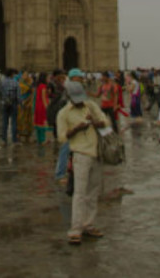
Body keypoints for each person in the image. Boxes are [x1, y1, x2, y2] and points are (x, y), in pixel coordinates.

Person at [57, 80, 110, 245]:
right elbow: (62, 137)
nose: (80, 101)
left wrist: (94, 122)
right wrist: (77, 128)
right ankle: (75, 230)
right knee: (79, 193)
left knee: (93, 192)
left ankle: (89, 225)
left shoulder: (91, 106)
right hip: (80, 154)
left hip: (96, 153)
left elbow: (106, 123)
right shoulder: (64, 113)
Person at [0, 69, 20, 146]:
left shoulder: (2, 82)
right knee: (14, 122)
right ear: (12, 74)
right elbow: (18, 94)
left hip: (4, 103)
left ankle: (4, 140)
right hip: (13, 103)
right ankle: (14, 140)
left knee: (4, 122)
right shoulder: (15, 82)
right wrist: (20, 103)